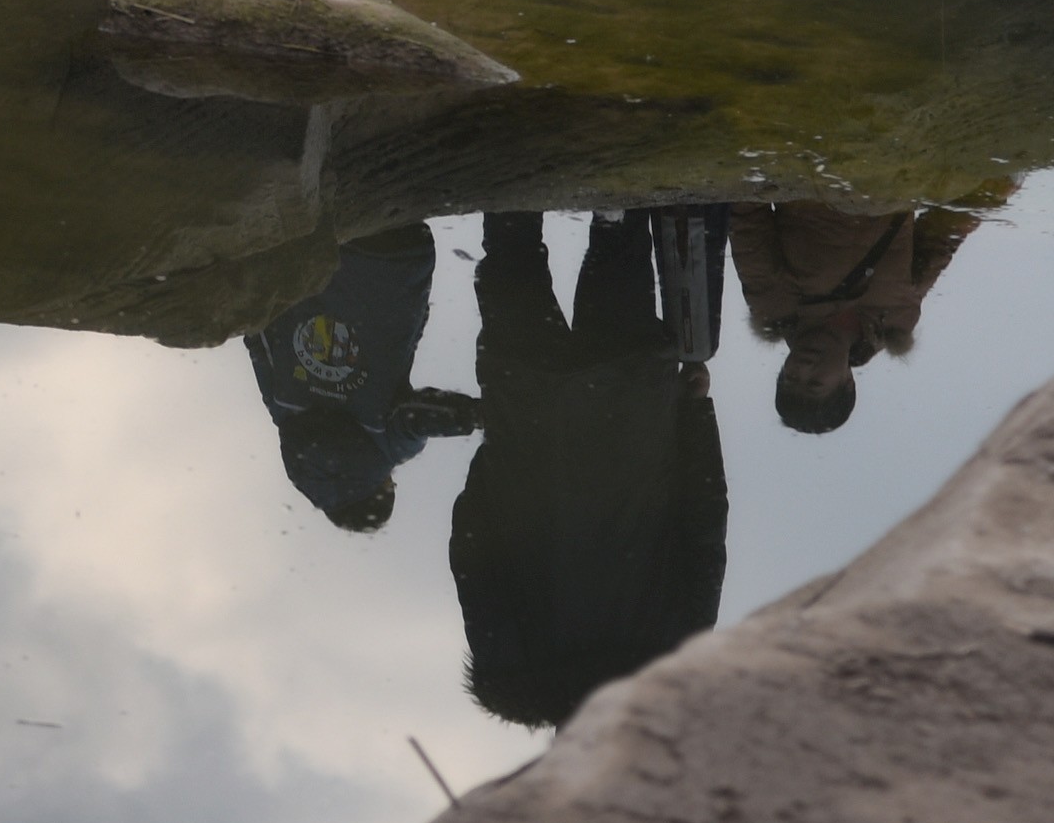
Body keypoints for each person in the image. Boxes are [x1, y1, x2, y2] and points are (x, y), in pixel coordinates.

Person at [447, 211, 728, 728]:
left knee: (618, 242)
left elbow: (704, 520)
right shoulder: (515, 671)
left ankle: (615, 161)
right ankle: (507, 153)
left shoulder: (675, 659)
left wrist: (693, 413)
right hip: (530, 420)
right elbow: (471, 550)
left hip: (629, 410)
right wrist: (499, 455)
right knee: (514, 254)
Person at [243, 224, 482, 531]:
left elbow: (418, 415)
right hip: (316, 248)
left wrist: (476, 416)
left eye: (390, 486)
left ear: (379, 489)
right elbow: (257, 335)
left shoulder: (388, 446)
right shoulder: (283, 410)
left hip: (396, 259)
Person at [730, 202, 982, 434]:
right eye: (815, 382)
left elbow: (747, 216)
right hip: (895, 166)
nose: (802, 368)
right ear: (848, 381)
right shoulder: (893, 320)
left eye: (791, 378)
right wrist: (989, 193)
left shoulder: (775, 306)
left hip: (811, 163)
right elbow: (941, 237)